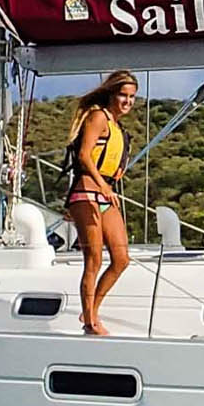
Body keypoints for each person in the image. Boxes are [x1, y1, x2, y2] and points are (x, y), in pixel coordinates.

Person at [64, 69, 139, 335]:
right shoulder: (98, 117)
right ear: (112, 94)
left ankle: (90, 310)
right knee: (93, 259)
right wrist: (104, 184)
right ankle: (90, 322)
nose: (127, 101)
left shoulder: (119, 129)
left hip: (105, 192)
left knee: (121, 258)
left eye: (131, 97)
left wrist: (112, 180)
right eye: (123, 95)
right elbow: (84, 155)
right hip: (86, 191)